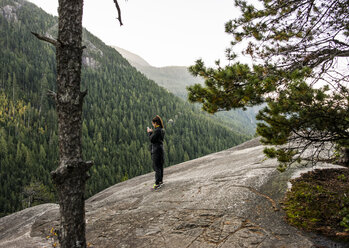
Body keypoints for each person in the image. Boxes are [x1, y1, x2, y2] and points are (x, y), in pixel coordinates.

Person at [147, 115, 165, 190]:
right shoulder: (161, 129)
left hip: (156, 150)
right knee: (160, 166)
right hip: (161, 149)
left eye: (153, 124)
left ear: (155, 123)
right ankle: (160, 181)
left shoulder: (157, 130)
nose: (153, 125)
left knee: (156, 166)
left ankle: (157, 183)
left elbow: (152, 140)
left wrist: (150, 133)